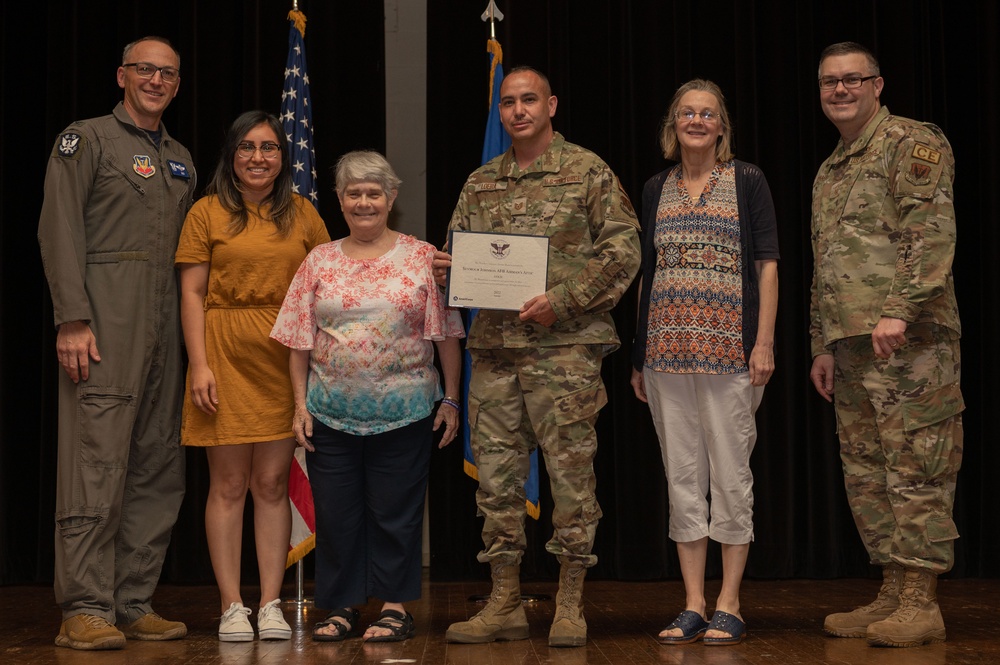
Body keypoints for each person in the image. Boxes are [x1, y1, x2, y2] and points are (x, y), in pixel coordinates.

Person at [434, 66, 641, 648]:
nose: (518, 110)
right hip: (496, 353)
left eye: (529, 100)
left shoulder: (586, 171)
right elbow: (458, 256)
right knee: (497, 482)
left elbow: (624, 250)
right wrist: (448, 270)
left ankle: (570, 602)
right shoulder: (480, 182)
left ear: (552, 104)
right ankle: (503, 601)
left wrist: (564, 301)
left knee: (571, 477)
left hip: (565, 351)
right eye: (508, 102)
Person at [37, 36, 196, 650]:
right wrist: (72, 317)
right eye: (145, 70)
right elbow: (58, 227)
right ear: (122, 76)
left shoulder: (179, 156)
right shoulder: (86, 140)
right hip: (105, 327)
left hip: (165, 332)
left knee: (157, 465)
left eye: (168, 74)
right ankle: (83, 606)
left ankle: (132, 600)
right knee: (94, 464)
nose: (156, 80)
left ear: (177, 85)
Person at [271, 150, 464, 643]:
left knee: (395, 512)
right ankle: (339, 606)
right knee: (337, 515)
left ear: (391, 198)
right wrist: (299, 406)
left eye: (373, 193)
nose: (363, 202)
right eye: (353, 193)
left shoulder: (423, 258)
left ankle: (394, 607)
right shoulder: (318, 260)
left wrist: (452, 400)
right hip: (330, 413)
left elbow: (446, 336)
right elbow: (298, 339)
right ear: (339, 200)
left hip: (407, 411)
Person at [808, 42, 963, 648]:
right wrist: (822, 343)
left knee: (917, 464)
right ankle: (895, 591)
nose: (839, 91)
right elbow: (826, 265)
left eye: (852, 80)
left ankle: (923, 602)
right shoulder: (832, 167)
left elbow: (931, 232)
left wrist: (899, 309)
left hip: (911, 340)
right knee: (869, 472)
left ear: (877, 84)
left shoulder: (911, 142)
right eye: (828, 83)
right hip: (851, 346)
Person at [630, 80, 779, 647]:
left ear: (722, 126)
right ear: (674, 124)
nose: (697, 120)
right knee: (683, 478)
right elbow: (649, 272)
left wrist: (763, 342)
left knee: (732, 477)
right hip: (666, 358)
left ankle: (730, 602)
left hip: (730, 355)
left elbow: (767, 265)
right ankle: (693, 603)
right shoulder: (655, 187)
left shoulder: (747, 181)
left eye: (708, 113)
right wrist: (640, 353)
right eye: (687, 112)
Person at [175, 110, 330, 641]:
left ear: (283, 157)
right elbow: (191, 292)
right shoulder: (205, 212)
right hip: (222, 352)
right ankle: (231, 606)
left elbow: (326, 286)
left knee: (269, 485)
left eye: (268, 147)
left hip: (284, 355)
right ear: (232, 155)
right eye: (247, 147)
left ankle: (269, 604)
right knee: (229, 485)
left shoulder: (304, 214)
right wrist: (198, 364)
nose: (258, 157)